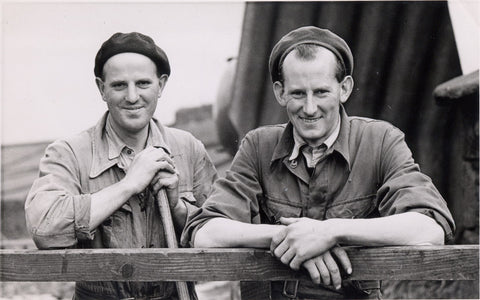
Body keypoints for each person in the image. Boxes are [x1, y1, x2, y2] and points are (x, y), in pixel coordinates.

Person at [183, 26, 455, 299]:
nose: (310, 108)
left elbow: (430, 228)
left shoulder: (381, 141)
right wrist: (289, 237)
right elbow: (204, 232)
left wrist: (331, 232)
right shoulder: (257, 146)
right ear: (280, 93)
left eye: (322, 92)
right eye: (298, 93)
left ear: (344, 88)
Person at [25, 32, 217, 300]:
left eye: (143, 83)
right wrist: (128, 185)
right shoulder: (68, 152)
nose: (132, 96)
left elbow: (220, 230)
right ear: (101, 88)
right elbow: (45, 230)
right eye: (118, 85)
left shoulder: (189, 149)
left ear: (160, 85)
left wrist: (177, 208)